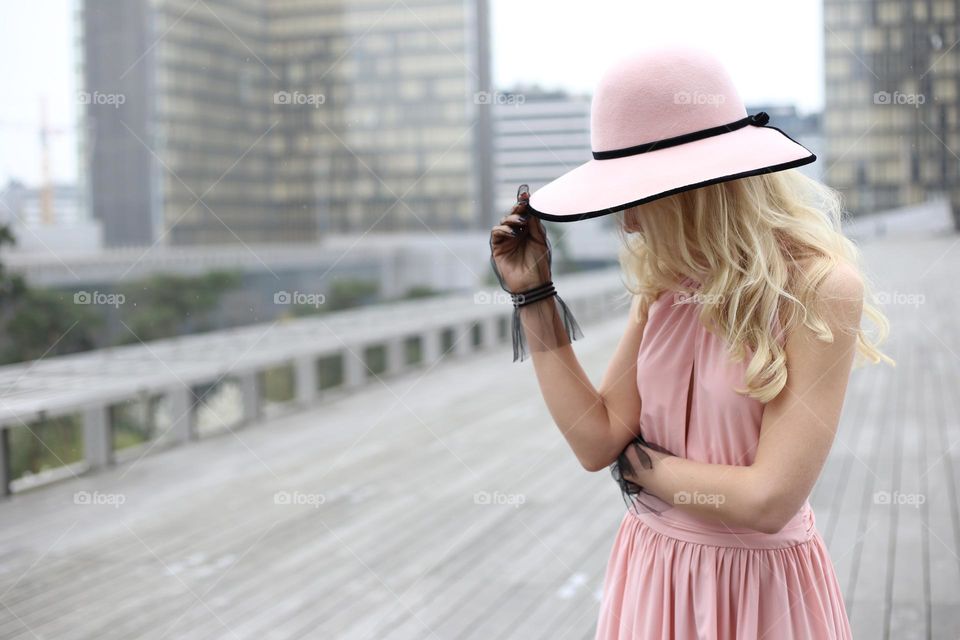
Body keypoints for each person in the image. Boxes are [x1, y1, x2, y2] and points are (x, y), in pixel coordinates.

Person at [488, 46, 892, 640]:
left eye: (636, 197)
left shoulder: (821, 288)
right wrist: (534, 295)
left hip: (758, 591)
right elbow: (597, 439)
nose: (626, 223)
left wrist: (642, 469)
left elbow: (769, 499)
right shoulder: (665, 285)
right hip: (653, 569)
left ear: (696, 188)